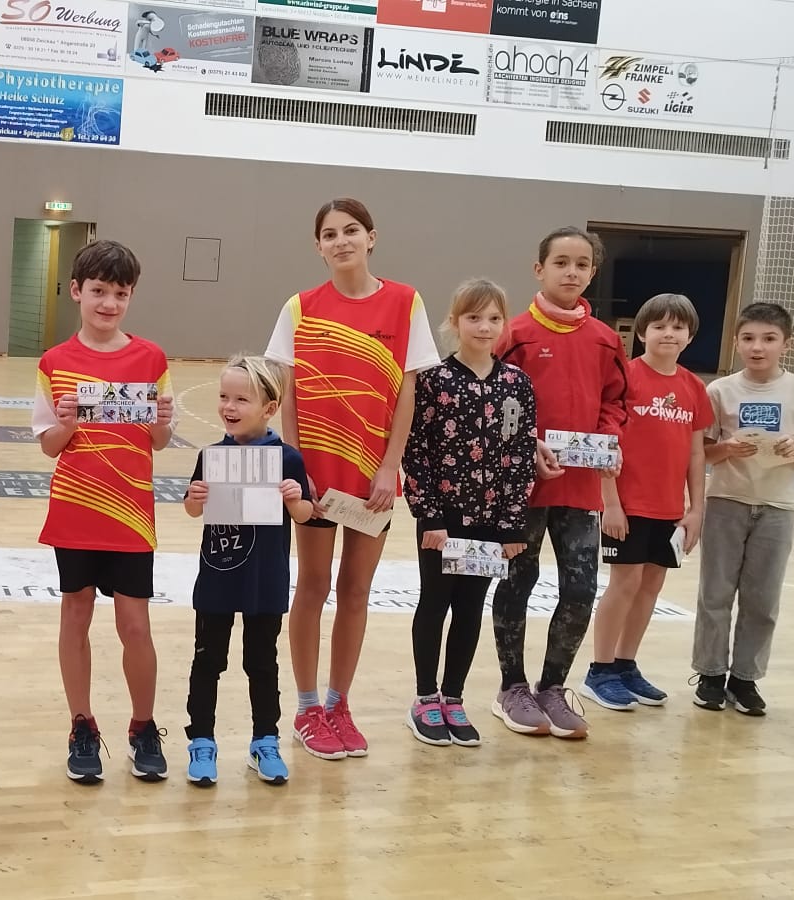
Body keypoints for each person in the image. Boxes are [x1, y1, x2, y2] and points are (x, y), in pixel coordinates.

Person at [264, 198, 440, 761]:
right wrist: (296, 467)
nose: (341, 241)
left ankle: (339, 705)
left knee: (356, 591)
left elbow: (408, 392)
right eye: (330, 234)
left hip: (373, 480)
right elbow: (288, 392)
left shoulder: (406, 302)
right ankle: (307, 708)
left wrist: (390, 466)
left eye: (351, 230)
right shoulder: (299, 307)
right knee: (313, 585)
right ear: (318, 246)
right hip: (317, 477)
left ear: (371, 237)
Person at [32, 239, 177, 784]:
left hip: (131, 514)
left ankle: (143, 727)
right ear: (77, 291)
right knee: (76, 613)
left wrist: (160, 420)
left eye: (120, 293)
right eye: (98, 291)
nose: (108, 303)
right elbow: (49, 446)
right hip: (76, 510)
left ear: (131, 296)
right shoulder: (54, 363)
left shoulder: (152, 359)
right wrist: (66, 424)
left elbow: (160, 440)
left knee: (135, 625)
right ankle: (82, 725)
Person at [487, 226, 629, 740]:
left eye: (582, 264)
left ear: (592, 272)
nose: (572, 272)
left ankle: (552, 687)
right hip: (522, 490)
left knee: (581, 588)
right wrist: (526, 446)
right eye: (561, 262)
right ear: (539, 269)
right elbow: (493, 401)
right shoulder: (515, 334)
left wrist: (607, 440)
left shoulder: (606, 340)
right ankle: (512, 688)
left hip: (579, 489)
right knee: (516, 583)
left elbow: (616, 402)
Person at [401, 279, 536, 747]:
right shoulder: (434, 381)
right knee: (435, 603)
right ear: (454, 322)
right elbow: (415, 450)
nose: (484, 327)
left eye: (494, 318)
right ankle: (425, 697)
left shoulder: (517, 384)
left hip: (491, 522)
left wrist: (512, 524)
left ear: (505, 323)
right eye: (474, 317)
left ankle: (453, 697)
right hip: (443, 520)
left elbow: (521, 455)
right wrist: (429, 515)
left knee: (470, 608)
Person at [179, 355, 313, 786]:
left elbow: (306, 514)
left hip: (264, 580)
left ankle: (265, 741)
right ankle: (202, 740)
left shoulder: (287, 459)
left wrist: (294, 499)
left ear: (269, 408)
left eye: (241, 399)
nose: (229, 406)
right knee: (207, 660)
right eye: (224, 396)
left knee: (262, 662)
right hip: (218, 575)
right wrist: (195, 497)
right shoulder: (212, 455)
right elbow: (192, 510)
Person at [583, 293, 712, 712]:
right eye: (659, 326)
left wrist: (695, 510)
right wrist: (610, 503)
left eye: (677, 327)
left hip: (669, 510)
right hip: (627, 506)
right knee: (624, 584)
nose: (668, 334)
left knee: (651, 586)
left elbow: (696, 454)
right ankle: (599, 670)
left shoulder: (694, 387)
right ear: (641, 333)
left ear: (690, 336)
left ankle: (625, 664)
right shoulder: (626, 378)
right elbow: (606, 443)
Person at [695, 302, 794, 715]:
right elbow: (702, 453)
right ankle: (710, 674)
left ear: (787, 344)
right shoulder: (719, 391)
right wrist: (726, 449)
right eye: (749, 338)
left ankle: (745, 678)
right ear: (736, 342)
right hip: (726, 501)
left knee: (762, 599)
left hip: (777, 507)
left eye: (769, 339)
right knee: (715, 593)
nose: (758, 347)